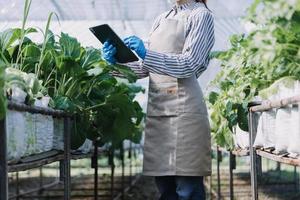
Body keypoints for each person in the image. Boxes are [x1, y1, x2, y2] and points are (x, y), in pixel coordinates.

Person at [102, 0, 214, 199]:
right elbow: (144, 68)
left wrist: (146, 53)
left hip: (185, 111)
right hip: (159, 112)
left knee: (188, 188)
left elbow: (191, 64)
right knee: (165, 188)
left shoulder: (200, 15)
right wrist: (115, 64)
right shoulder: (162, 19)